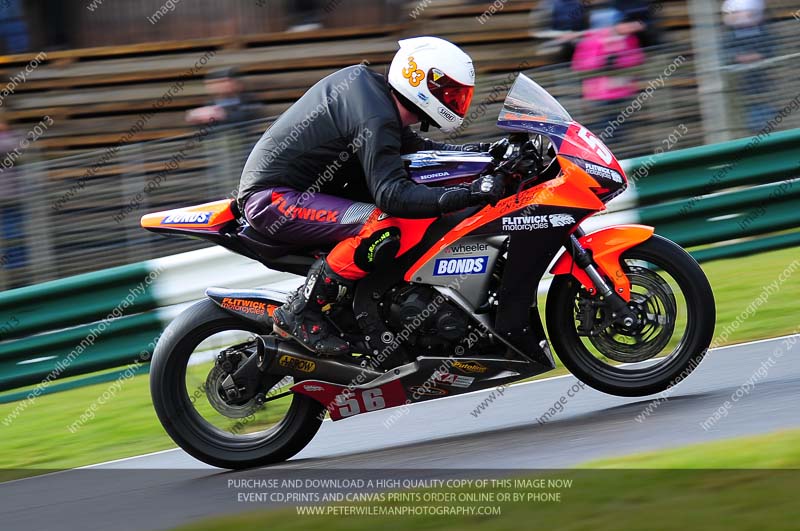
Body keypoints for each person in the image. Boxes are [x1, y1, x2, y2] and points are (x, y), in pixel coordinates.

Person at [237, 36, 505, 356]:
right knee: (379, 225)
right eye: (448, 91)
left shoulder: (377, 100)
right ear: (418, 78)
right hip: (275, 200)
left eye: (458, 94)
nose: (454, 100)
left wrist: (488, 153)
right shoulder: (375, 113)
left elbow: (422, 151)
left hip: (299, 194)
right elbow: (391, 194)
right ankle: (299, 311)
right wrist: (466, 194)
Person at [721, 0, 775, 134]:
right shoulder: (730, 36)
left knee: (762, 113)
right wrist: (736, 58)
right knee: (741, 116)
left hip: (761, 84)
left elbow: (770, 49)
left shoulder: (763, 33)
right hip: (737, 85)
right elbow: (725, 53)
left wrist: (758, 56)